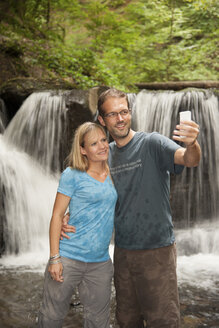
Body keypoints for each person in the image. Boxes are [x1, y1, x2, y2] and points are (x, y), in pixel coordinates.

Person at [62, 88, 201, 328]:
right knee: (126, 321)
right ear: (102, 120)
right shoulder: (105, 156)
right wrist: (69, 214)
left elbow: (189, 159)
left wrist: (193, 144)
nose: (120, 119)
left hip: (157, 251)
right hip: (123, 253)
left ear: (130, 112)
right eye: (113, 114)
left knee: (163, 321)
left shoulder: (152, 143)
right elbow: (91, 193)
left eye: (124, 111)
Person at [38, 122, 118, 328]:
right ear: (83, 150)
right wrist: (54, 258)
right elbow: (57, 216)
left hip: (100, 263)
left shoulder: (114, 171)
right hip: (68, 258)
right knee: (51, 317)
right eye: (93, 144)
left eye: (103, 140)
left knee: (99, 321)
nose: (102, 146)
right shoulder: (72, 175)